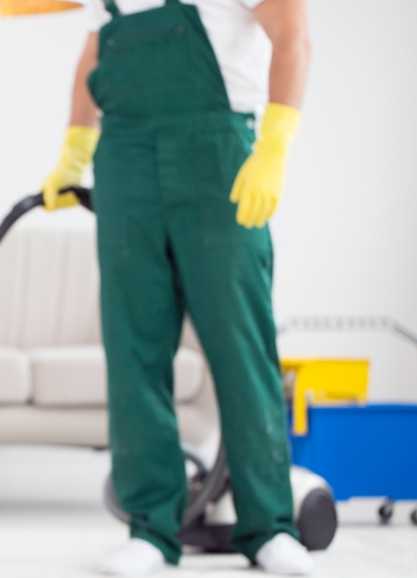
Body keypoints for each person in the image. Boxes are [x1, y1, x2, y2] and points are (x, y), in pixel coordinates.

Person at [42, 0, 312, 575]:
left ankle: (268, 526)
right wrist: (75, 151)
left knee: (240, 346)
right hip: (124, 159)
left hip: (216, 155)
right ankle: (152, 530)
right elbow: (92, 57)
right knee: (134, 344)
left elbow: (292, 34)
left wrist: (276, 143)